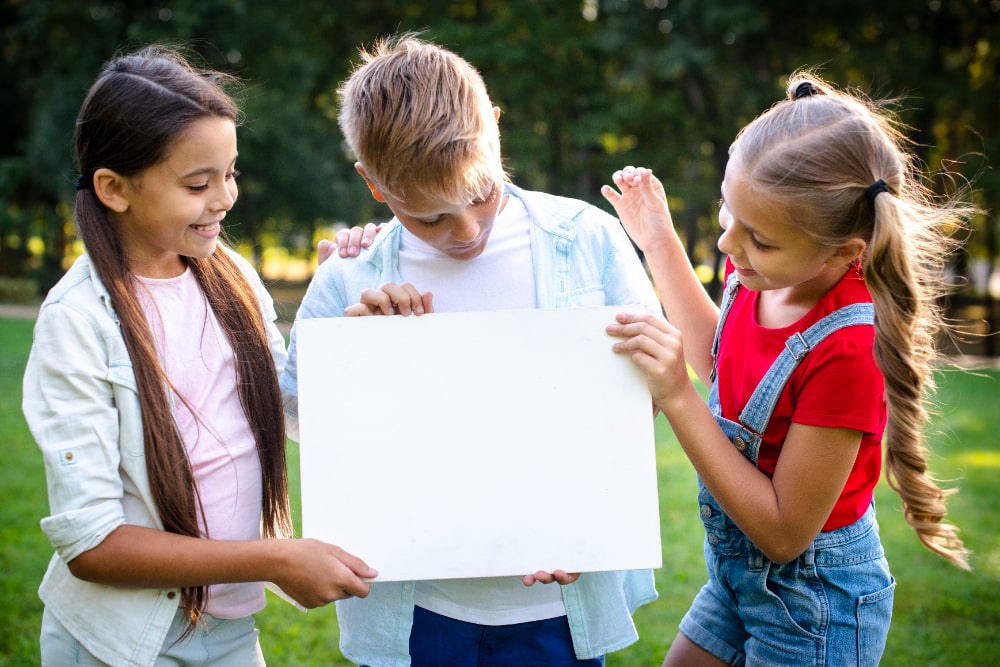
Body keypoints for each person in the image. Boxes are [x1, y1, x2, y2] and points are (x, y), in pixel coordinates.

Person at [280, 34, 661, 667]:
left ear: (495, 136)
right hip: (419, 612)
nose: (465, 231)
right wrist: (358, 361)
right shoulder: (352, 275)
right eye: (429, 219)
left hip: (555, 613)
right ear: (373, 184)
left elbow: (641, 393)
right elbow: (299, 419)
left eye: (480, 194)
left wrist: (586, 512)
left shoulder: (588, 239)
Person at [602, 71, 973, 666]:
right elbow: (719, 363)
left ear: (843, 249)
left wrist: (678, 399)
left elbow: (782, 532)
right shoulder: (765, 274)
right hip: (737, 580)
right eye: (729, 215)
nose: (729, 247)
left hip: (815, 604)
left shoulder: (849, 347)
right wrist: (660, 242)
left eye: (759, 240)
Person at [21, 45, 376, 667]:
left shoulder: (231, 275)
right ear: (113, 188)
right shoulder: (77, 321)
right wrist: (273, 558)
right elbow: (93, 545)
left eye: (231, 172)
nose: (226, 197)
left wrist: (345, 330)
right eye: (197, 183)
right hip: (125, 641)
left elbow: (289, 411)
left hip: (232, 630)